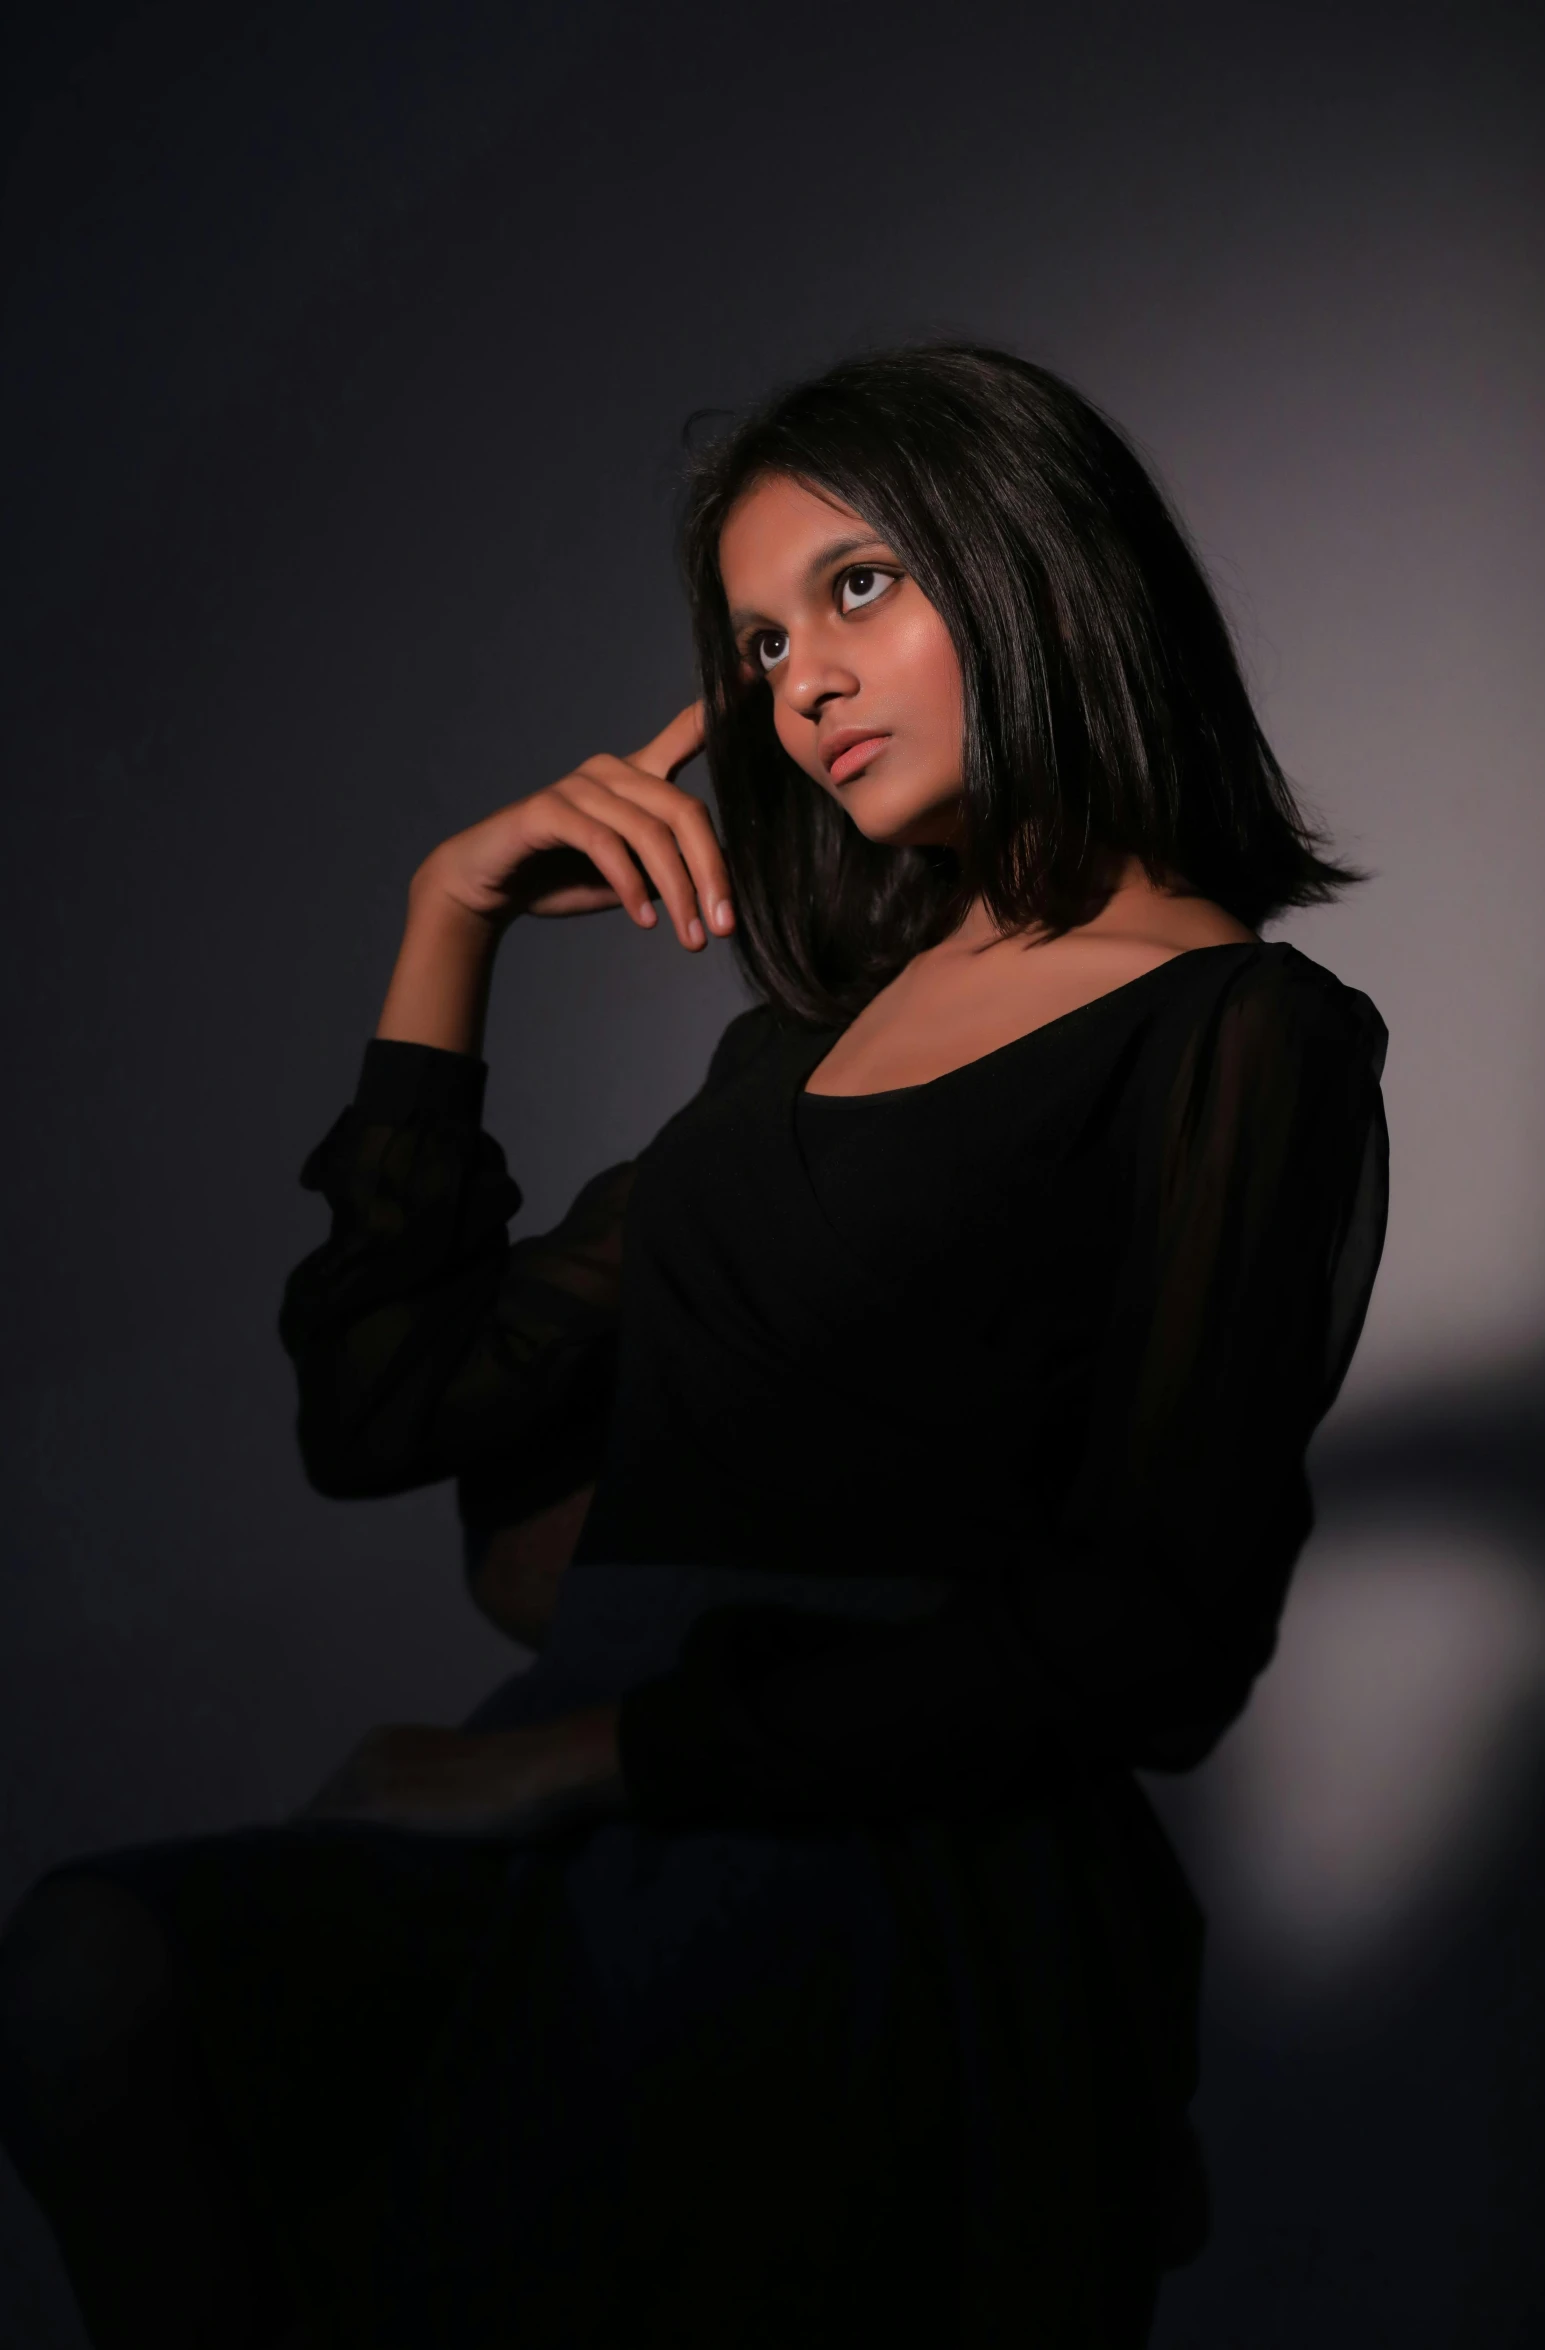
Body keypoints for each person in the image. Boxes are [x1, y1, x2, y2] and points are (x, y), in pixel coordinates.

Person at [0, 342, 1390, 2349]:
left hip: (873, 1851)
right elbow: (387, 1405)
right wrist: (445, 917)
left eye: (854, 587)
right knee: (96, 1971)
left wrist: (606, 1748)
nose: (795, 682)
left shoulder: (1239, 1033)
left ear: (1034, 561)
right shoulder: (789, 1059)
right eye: (752, 641)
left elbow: (1150, 1626)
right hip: (593, 1795)